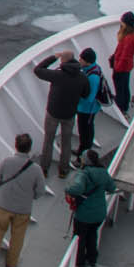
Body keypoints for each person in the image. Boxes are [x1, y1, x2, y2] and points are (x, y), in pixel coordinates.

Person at [0, 133, 48, 267]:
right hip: (23, 209)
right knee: (18, 236)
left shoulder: (7, 162)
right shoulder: (36, 169)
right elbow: (40, 191)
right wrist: (30, 197)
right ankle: (12, 263)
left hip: (3, 205)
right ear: (29, 148)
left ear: (16, 146)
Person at [31, 48, 89, 178]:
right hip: (69, 114)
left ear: (62, 61)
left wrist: (53, 57)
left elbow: (38, 70)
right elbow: (86, 94)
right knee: (66, 142)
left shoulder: (57, 75)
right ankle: (63, 170)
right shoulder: (82, 77)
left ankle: (44, 169)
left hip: (53, 113)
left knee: (48, 140)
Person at [66, 148, 115, 267]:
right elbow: (112, 188)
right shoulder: (103, 172)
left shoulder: (84, 174)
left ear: (85, 161)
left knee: (80, 239)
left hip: (84, 215)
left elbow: (77, 189)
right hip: (99, 214)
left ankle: (79, 263)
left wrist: (67, 189)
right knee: (92, 234)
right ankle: (92, 259)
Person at [75, 46, 107, 152]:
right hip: (88, 108)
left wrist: (75, 100)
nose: (79, 60)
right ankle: (85, 147)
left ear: (87, 62)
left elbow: (89, 98)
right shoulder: (93, 69)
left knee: (85, 130)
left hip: (87, 109)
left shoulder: (92, 77)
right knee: (86, 128)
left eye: (81, 59)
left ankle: (83, 150)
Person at [110, 11, 134, 113]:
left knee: (120, 87)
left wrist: (117, 67)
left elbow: (125, 55)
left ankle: (121, 106)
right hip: (126, 65)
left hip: (122, 66)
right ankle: (124, 104)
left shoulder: (128, 38)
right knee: (124, 86)